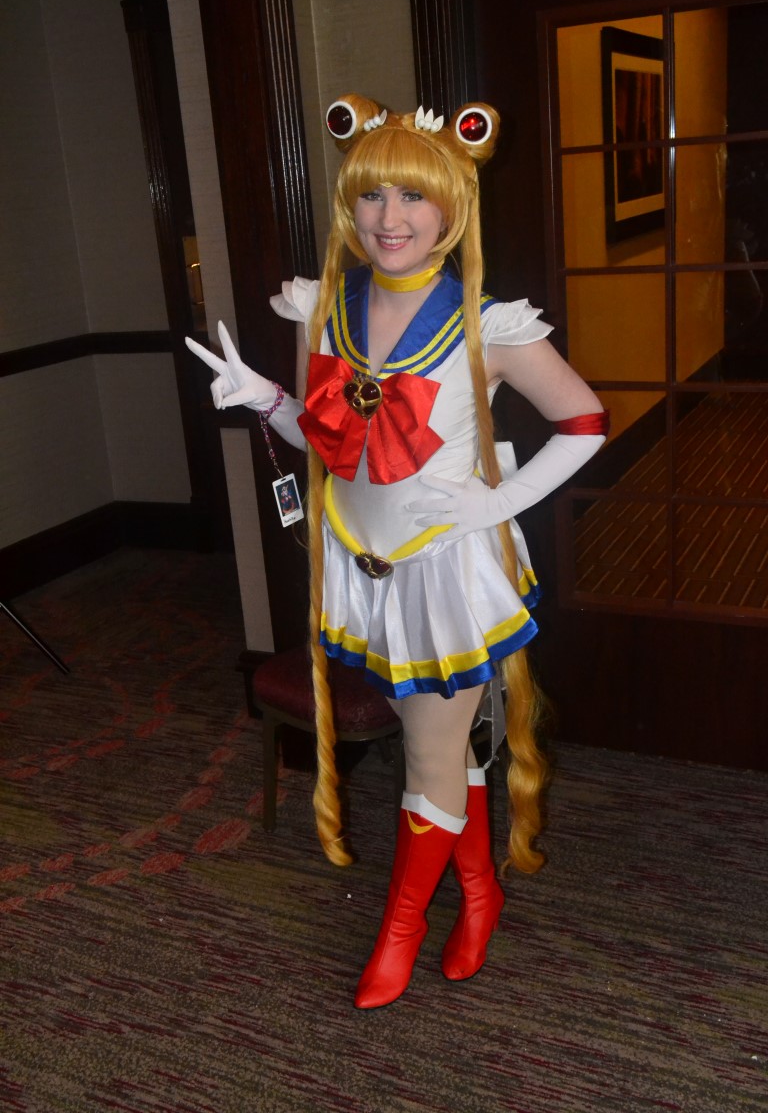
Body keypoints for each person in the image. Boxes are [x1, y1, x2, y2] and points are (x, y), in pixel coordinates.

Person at [186, 93, 608, 1010]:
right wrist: (266, 399)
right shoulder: (323, 308)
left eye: (413, 196)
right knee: (440, 749)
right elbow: (333, 442)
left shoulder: (489, 325)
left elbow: (584, 423)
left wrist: (498, 502)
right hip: (362, 566)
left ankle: (401, 931)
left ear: (451, 205)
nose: (390, 218)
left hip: (445, 578)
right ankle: (480, 893)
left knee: (429, 755)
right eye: (373, 194)